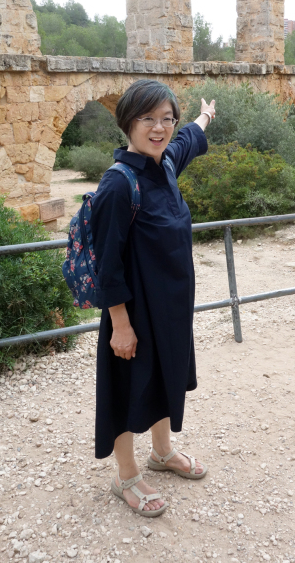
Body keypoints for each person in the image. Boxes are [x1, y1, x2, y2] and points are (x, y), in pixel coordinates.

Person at [90, 79, 215, 517]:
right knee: (126, 392)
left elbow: (187, 140)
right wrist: (120, 326)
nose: (159, 128)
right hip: (134, 313)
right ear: (128, 122)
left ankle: (161, 454)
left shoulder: (163, 164)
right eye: (148, 119)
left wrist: (204, 116)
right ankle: (126, 476)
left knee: (166, 378)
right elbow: (108, 266)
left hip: (170, 310)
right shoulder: (118, 186)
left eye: (167, 118)